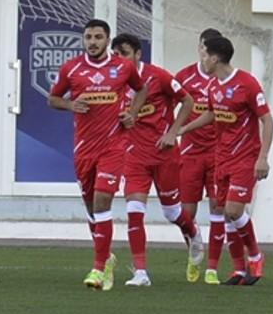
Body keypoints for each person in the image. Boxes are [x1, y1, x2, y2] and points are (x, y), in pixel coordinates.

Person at [48, 19, 147, 291]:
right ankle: (107, 258)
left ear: (107, 40)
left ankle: (98, 268)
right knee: (92, 207)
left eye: (98, 37)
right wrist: (70, 104)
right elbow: (52, 99)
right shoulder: (71, 68)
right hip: (84, 148)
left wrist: (133, 113)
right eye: (88, 37)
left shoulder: (123, 67)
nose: (92, 42)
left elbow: (141, 89)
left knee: (103, 200)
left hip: (113, 145)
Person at [180, 36, 273, 286]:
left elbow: (268, 121)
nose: (202, 59)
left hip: (245, 157)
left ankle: (255, 255)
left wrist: (263, 158)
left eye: (205, 55)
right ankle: (238, 269)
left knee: (234, 210)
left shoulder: (247, 83)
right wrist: (184, 129)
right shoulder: (213, 85)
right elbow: (211, 114)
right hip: (222, 157)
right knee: (226, 215)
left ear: (214, 58)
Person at [111, 33, 203, 287]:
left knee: (172, 212)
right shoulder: (113, 81)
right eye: (115, 54)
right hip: (134, 155)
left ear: (138, 54)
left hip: (164, 154)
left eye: (124, 53)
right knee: (134, 210)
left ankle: (193, 232)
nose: (119, 59)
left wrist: (173, 132)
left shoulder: (158, 76)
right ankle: (140, 273)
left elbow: (188, 100)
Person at [174, 28, 225, 284]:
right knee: (186, 212)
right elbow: (166, 104)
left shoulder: (225, 79)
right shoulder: (184, 77)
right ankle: (194, 251)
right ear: (199, 48)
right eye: (204, 47)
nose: (207, 53)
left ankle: (212, 268)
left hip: (218, 153)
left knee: (218, 207)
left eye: (211, 49)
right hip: (190, 153)